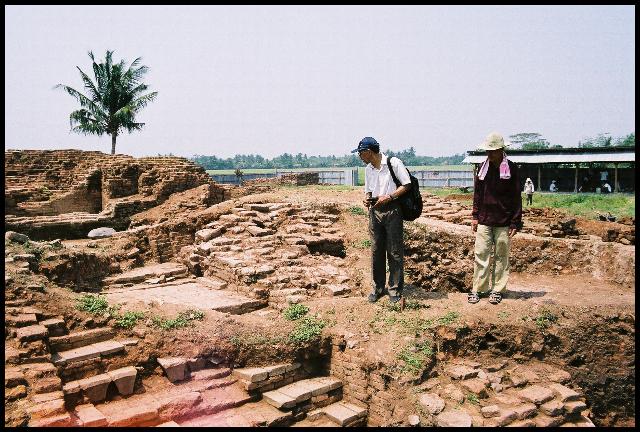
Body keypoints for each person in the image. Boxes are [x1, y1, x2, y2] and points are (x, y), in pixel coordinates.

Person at [353, 136, 411, 304]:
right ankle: (378, 288)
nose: (359, 157)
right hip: (375, 211)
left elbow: (407, 185)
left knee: (394, 251)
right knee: (376, 250)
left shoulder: (393, 163)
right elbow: (368, 190)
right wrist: (367, 198)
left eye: (360, 153)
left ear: (368, 152)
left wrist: (390, 196)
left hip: (392, 210)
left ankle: (394, 289)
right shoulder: (369, 169)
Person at [469, 132, 522, 305]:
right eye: (488, 151)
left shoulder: (511, 169)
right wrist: (475, 216)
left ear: (501, 150)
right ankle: (479, 289)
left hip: (504, 221)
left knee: (501, 257)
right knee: (481, 255)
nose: (489, 154)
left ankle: (497, 290)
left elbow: (516, 196)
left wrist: (515, 221)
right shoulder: (482, 168)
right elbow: (477, 194)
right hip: (484, 219)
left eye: (493, 151)